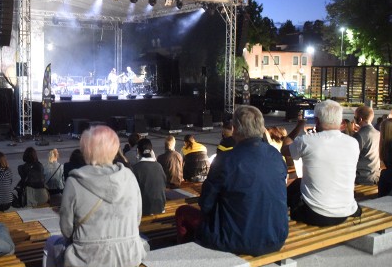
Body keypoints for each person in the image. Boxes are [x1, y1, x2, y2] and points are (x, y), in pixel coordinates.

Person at [176, 106, 288, 255]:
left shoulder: (226, 160)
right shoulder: (276, 156)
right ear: (261, 128)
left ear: (234, 129)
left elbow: (205, 204)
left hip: (235, 240)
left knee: (182, 212)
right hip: (276, 238)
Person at [41, 125, 147, 267]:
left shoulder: (75, 181)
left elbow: (66, 230)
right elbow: (137, 219)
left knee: (51, 242)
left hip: (86, 263)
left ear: (86, 150)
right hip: (129, 258)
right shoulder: (129, 177)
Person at [283, 100, 361, 226]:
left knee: (295, 186)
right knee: (299, 183)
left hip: (315, 214)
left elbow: (285, 149)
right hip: (345, 212)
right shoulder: (353, 143)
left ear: (317, 121)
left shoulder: (307, 141)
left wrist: (299, 126)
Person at [132, 138, 167, 215]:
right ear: (152, 151)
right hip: (160, 207)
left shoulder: (135, 169)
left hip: (144, 210)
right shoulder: (159, 166)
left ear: (138, 151)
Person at [352, 105, 381, 185]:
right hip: (376, 175)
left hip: (361, 177)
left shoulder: (360, 135)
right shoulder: (378, 133)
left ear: (360, 119)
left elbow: (351, 157)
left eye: (355, 117)